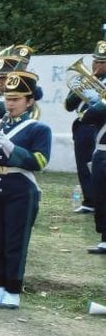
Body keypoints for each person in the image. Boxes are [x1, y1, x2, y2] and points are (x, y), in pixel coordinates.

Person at [0, 70, 51, 308]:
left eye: (16, 99)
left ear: (29, 102)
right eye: (8, 98)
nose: (10, 103)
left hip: (20, 189)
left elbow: (39, 162)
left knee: (15, 241)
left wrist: (11, 148)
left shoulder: (38, 129)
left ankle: (13, 289)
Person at [66, 43, 106, 213]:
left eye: (101, 62)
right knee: (83, 164)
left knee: (97, 165)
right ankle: (89, 201)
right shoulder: (83, 79)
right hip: (82, 125)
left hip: (100, 127)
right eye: (95, 61)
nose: (95, 65)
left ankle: (100, 202)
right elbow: (68, 105)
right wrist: (81, 88)